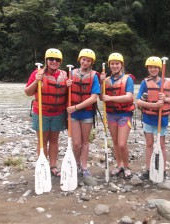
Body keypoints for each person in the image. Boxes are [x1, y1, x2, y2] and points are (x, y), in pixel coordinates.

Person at [24, 48, 68, 177]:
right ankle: (42, 165)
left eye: (57, 60)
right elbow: (28, 92)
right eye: (51, 59)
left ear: (60, 62)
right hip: (41, 112)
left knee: (54, 140)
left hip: (58, 113)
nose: (54, 62)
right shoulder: (37, 73)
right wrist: (36, 81)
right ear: (46, 60)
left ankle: (53, 166)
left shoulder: (65, 75)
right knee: (42, 141)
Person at [136, 56, 170, 180]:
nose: (153, 69)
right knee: (149, 144)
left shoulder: (166, 83)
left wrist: (165, 99)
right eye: (151, 67)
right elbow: (138, 101)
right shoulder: (145, 83)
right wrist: (153, 105)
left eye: (155, 67)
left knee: (162, 144)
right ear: (148, 68)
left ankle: (163, 170)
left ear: (159, 68)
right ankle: (148, 169)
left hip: (162, 118)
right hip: (149, 117)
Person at [66, 49, 100, 185]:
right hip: (73, 113)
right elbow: (62, 91)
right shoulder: (71, 73)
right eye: (83, 59)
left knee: (85, 142)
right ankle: (77, 163)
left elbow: (93, 98)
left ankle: (84, 167)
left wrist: (75, 107)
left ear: (91, 62)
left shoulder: (94, 76)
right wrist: (66, 84)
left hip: (85, 112)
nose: (85, 62)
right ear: (80, 59)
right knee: (76, 143)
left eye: (88, 60)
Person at [100, 53, 135, 179]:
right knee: (115, 142)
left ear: (121, 65)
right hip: (111, 114)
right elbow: (101, 97)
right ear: (109, 65)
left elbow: (129, 96)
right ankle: (119, 165)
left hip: (124, 114)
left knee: (121, 143)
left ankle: (126, 166)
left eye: (117, 63)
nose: (115, 66)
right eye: (112, 64)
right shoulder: (107, 80)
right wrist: (101, 82)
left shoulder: (128, 79)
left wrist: (111, 97)